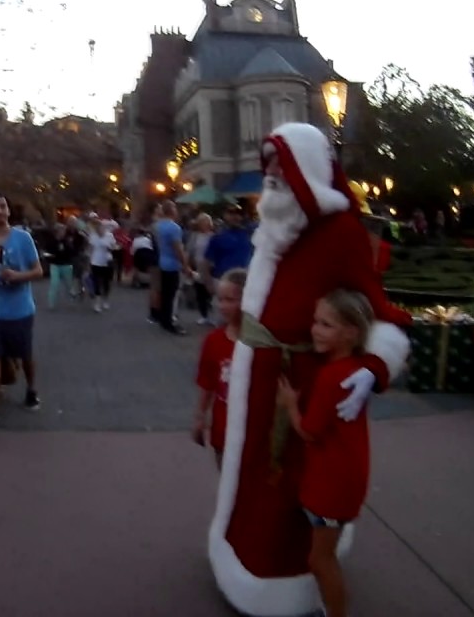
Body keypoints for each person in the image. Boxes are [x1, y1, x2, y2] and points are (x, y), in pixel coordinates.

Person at [207, 123, 411, 617]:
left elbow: (378, 310)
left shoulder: (341, 232)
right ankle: (238, 556)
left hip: (299, 382)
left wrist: (375, 365)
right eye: (269, 166)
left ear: (308, 170)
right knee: (248, 475)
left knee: (285, 486)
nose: (271, 176)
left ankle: (281, 581)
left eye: (282, 165)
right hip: (257, 375)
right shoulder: (274, 227)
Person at [277, 289, 378, 617]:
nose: (315, 330)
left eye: (326, 325)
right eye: (316, 321)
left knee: (320, 560)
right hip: (345, 476)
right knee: (323, 554)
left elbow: (309, 431)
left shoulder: (331, 376)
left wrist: (290, 405)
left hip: (332, 484)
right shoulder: (355, 367)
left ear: (350, 332)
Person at [0, 193, 44, 426]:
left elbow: (38, 271)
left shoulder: (23, 238)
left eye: (3, 206)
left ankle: (31, 390)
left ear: (9, 211)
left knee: (25, 354)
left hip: (21, 308)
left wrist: (17, 276)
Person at [192, 268, 246, 469]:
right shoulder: (214, 341)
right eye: (220, 300)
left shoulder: (261, 343)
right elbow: (207, 384)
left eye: (230, 300)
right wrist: (200, 417)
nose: (222, 306)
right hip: (224, 432)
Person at [154, 201, 192, 334]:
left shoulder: (158, 226)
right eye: (175, 208)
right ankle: (170, 321)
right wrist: (185, 265)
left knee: (165, 293)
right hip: (172, 264)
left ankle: (164, 319)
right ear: (171, 211)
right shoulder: (174, 228)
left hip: (162, 261)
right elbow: (178, 249)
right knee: (172, 294)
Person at [86, 216, 117, 313]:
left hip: (107, 261)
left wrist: (110, 248)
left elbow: (114, 246)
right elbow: (90, 249)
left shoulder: (109, 235)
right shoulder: (93, 236)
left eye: (101, 227)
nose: (100, 230)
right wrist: (88, 262)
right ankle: (97, 302)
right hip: (96, 261)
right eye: (98, 228)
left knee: (106, 283)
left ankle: (105, 299)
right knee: (96, 282)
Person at [45, 223, 78, 309]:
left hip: (66, 265)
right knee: (54, 284)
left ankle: (72, 299)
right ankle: (51, 304)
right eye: (61, 231)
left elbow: (72, 253)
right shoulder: (51, 241)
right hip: (55, 265)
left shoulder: (67, 241)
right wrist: (50, 257)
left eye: (63, 231)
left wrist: (68, 247)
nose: (63, 233)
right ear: (57, 232)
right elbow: (47, 253)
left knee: (69, 285)